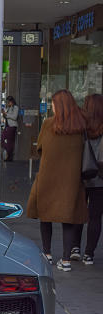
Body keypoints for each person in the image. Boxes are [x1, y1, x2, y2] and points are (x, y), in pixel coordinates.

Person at [26, 89, 88, 272]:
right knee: (68, 218)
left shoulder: (48, 124)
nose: (52, 106)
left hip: (48, 178)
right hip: (71, 180)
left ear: (58, 106)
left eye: (53, 103)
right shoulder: (80, 127)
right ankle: (66, 260)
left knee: (46, 216)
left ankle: (47, 253)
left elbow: (40, 148)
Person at [72, 94, 103, 265]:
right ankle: (89, 254)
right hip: (100, 178)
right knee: (95, 217)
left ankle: (75, 247)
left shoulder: (81, 127)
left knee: (79, 212)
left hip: (82, 174)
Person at [1, 96, 19, 161]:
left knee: (10, 142)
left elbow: (14, 117)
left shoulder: (15, 107)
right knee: (2, 138)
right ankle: (9, 151)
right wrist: (4, 114)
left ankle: (10, 156)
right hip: (7, 126)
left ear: (11, 101)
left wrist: (6, 114)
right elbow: (6, 116)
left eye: (8, 102)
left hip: (12, 126)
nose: (7, 103)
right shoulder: (8, 108)